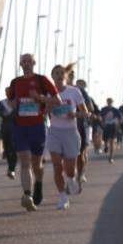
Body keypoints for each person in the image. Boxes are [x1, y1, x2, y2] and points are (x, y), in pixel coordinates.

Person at [9, 53, 62, 211]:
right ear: (20, 64)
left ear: (34, 63)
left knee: (36, 164)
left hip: (37, 127)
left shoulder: (42, 80)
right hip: (20, 126)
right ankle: (27, 195)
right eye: (23, 61)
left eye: (29, 60)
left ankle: (38, 185)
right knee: (25, 160)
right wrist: (11, 104)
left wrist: (40, 98)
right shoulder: (15, 82)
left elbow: (57, 100)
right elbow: (11, 102)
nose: (26, 63)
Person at [47, 64, 88, 210]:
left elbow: (86, 112)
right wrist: (49, 106)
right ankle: (63, 197)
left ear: (65, 76)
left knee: (69, 168)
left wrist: (75, 114)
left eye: (61, 72)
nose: (58, 75)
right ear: (52, 76)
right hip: (54, 132)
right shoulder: (48, 92)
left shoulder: (74, 92)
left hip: (71, 132)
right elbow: (42, 110)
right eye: (55, 72)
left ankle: (71, 179)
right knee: (57, 165)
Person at [72, 75, 97, 185]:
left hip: (83, 125)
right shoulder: (58, 90)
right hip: (65, 127)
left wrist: (83, 112)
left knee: (81, 152)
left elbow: (92, 109)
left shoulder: (83, 93)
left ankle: (81, 173)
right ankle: (72, 174)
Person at [0, 86, 17, 179]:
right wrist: (2, 113)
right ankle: (10, 167)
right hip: (5, 129)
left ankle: (12, 169)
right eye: (6, 92)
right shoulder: (1, 103)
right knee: (7, 149)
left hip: (16, 129)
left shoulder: (17, 102)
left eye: (10, 91)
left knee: (14, 149)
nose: (8, 93)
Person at [100, 98, 122, 163]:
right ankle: (106, 146)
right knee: (105, 140)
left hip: (113, 126)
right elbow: (100, 117)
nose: (109, 102)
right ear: (107, 102)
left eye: (110, 101)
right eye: (108, 101)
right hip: (106, 126)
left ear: (112, 102)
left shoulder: (115, 110)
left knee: (112, 142)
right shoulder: (103, 109)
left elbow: (121, 118)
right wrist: (102, 123)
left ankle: (111, 157)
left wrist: (118, 125)